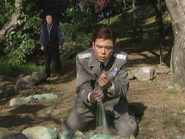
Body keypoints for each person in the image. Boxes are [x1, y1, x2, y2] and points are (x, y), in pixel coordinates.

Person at [62, 27, 139, 137]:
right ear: (93, 46)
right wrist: (90, 95)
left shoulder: (120, 59)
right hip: (88, 106)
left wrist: (110, 86)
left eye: (108, 48)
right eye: (99, 47)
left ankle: (128, 113)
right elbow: (82, 86)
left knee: (129, 131)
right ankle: (93, 118)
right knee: (67, 128)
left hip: (113, 105)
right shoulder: (82, 59)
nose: (103, 52)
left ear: (114, 48)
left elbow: (123, 87)